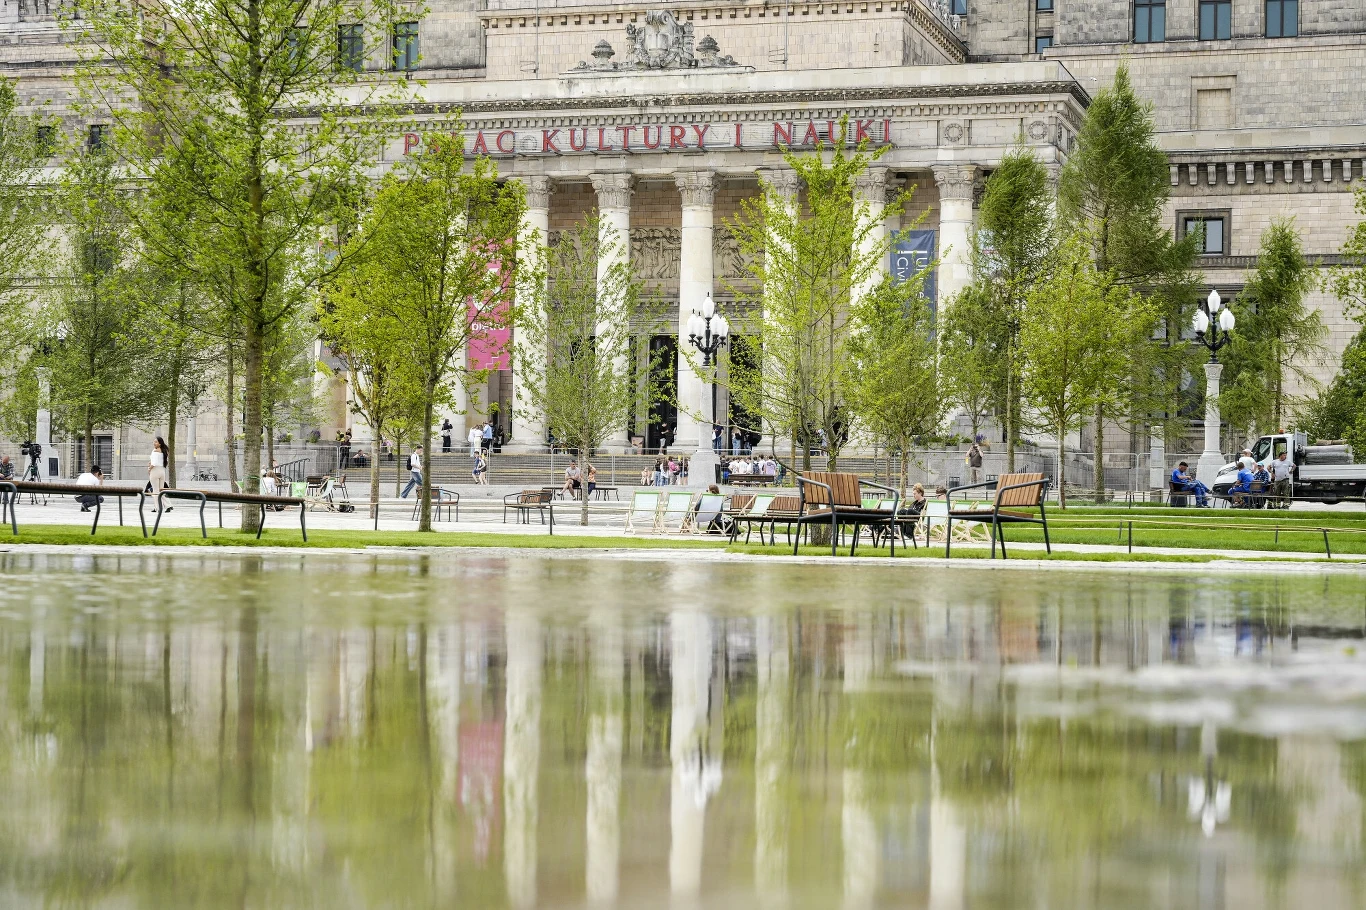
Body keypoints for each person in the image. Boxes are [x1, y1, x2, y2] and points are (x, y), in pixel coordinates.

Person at [148, 436, 172, 512]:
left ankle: (157, 507)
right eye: (154, 441)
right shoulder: (164, 451)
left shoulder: (155, 451)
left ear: (160, 443)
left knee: (155, 490)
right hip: (162, 471)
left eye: (156, 442)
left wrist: (149, 469)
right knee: (161, 490)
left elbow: (154, 463)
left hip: (155, 471)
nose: (154, 443)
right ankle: (168, 505)